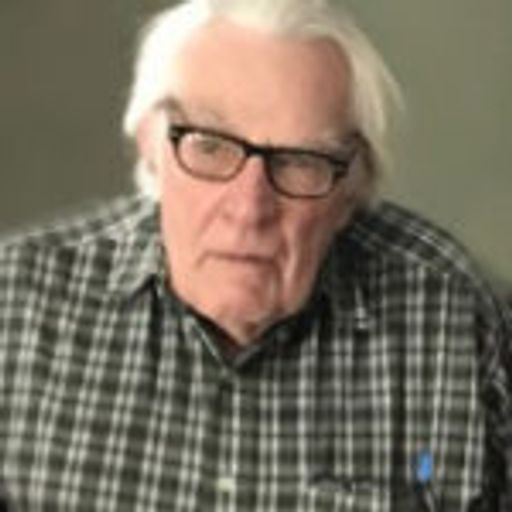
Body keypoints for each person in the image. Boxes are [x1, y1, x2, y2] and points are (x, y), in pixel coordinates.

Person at [0, 0, 510, 510]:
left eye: (298, 161)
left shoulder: (463, 323)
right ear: (151, 149)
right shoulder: (15, 306)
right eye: (210, 146)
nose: (248, 210)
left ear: (352, 189)